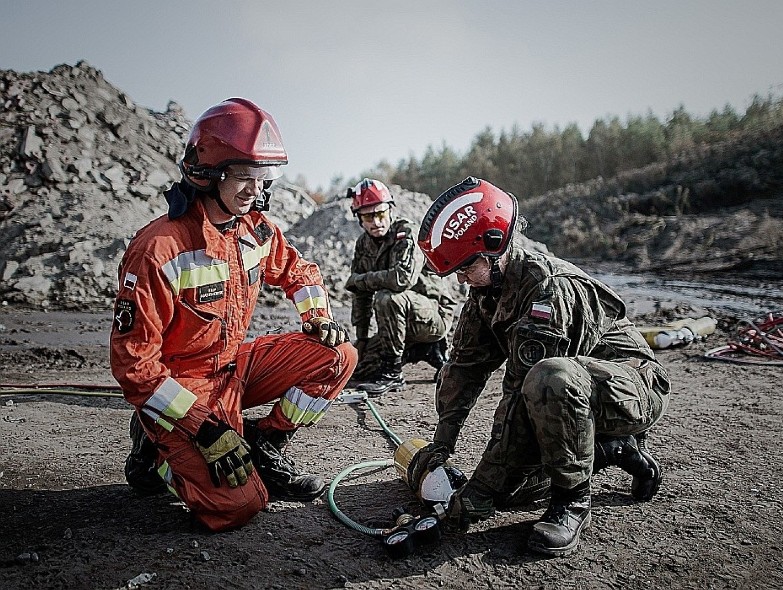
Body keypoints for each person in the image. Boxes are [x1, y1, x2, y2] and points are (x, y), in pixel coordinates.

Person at [110, 98, 357, 532]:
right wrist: (205, 431)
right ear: (207, 173)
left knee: (339, 356)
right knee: (238, 506)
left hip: (231, 369)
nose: (256, 191)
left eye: (263, 179)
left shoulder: (254, 228)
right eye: (244, 177)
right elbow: (135, 366)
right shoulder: (159, 249)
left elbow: (299, 271)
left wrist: (317, 315)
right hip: (181, 388)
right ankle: (158, 458)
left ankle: (266, 444)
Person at [411, 177, 670, 556]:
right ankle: (612, 450)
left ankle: (573, 502)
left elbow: (520, 398)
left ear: (496, 246)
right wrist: (441, 446)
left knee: (548, 379)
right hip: (573, 394)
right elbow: (463, 371)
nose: (461, 279)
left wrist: (480, 489)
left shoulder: (548, 289)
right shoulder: (486, 291)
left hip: (630, 388)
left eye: (466, 267)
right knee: (514, 493)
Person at [345, 178, 456, 396]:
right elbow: (361, 295)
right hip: (402, 322)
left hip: (433, 315)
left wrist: (361, 279)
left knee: (387, 297)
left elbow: (402, 279)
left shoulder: (406, 233)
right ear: (359, 219)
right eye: (368, 216)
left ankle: (393, 373)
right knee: (359, 369)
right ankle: (424, 351)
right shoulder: (363, 244)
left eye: (380, 214)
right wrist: (362, 339)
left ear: (390, 211)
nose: (376, 221)